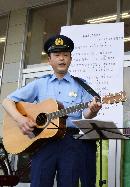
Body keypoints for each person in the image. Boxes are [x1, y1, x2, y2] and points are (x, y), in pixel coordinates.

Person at [2, 34, 101, 187]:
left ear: (70, 59)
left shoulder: (81, 84)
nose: (62, 58)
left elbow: (86, 114)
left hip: (70, 143)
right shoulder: (40, 84)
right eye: (57, 55)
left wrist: (93, 110)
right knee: (39, 183)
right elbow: (7, 101)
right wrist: (20, 119)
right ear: (49, 60)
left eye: (66, 55)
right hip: (42, 142)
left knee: (69, 183)